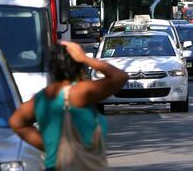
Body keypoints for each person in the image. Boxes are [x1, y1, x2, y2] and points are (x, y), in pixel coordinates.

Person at [9, 41, 128, 171]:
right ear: (78, 65)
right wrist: (86, 58)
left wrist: (50, 145)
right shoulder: (79, 93)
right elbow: (120, 77)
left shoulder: (41, 98)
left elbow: (16, 122)